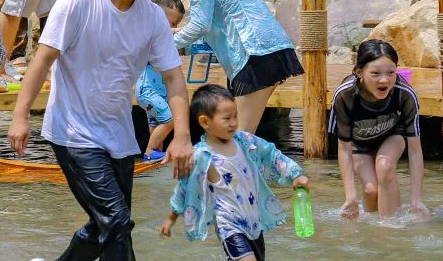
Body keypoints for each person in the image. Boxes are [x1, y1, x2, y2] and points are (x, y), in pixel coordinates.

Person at [9, 0, 194, 260]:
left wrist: (182, 135)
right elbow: (42, 60)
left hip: (119, 136)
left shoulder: (153, 17)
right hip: (74, 133)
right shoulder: (78, 1)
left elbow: (173, 78)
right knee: (117, 221)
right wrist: (20, 116)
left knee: (105, 226)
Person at [166, 0, 303, 135]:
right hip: (271, 47)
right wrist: (179, 35)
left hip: (253, 53)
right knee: (241, 136)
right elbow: (221, 23)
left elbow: (201, 24)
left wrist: (166, 45)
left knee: (237, 138)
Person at [161, 85, 309, 261]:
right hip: (228, 225)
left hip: (253, 221)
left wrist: (296, 174)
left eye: (235, 116)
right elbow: (185, 187)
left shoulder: (245, 142)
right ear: (205, 122)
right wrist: (171, 218)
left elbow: (271, 154)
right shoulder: (202, 155)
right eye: (227, 118)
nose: (233, 122)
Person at [330, 39, 428, 219]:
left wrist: (417, 200)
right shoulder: (345, 95)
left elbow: (415, 149)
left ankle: (391, 227)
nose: (385, 80)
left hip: (392, 136)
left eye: (391, 73)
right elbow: (344, 148)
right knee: (370, 190)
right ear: (359, 72)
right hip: (359, 143)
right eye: (375, 73)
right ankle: (372, 230)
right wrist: (350, 197)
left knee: (385, 167)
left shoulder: (404, 93)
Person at [136, 0, 186, 161]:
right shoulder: (148, 33)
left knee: (156, 124)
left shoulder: (161, 39)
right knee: (171, 120)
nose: (172, 27)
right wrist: (178, 30)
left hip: (157, 91)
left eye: (175, 23)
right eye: (171, 23)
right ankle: (150, 152)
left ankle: (154, 158)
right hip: (147, 91)